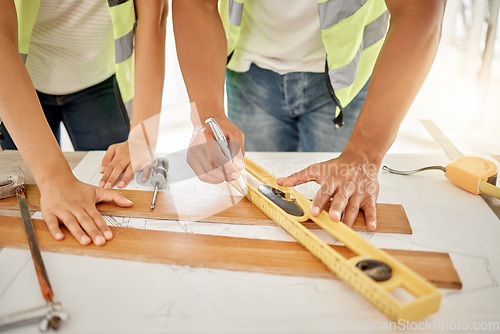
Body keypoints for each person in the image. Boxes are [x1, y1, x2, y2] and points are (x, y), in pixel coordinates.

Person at [173, 0, 446, 230]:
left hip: (349, 74)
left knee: (336, 208)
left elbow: (418, 9)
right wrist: (208, 112)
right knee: (257, 206)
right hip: (249, 72)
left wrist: (365, 153)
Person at [0, 0, 167, 246]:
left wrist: (142, 137)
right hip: (22, 82)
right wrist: (54, 177)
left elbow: (153, 20)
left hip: (99, 80)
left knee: (118, 174)